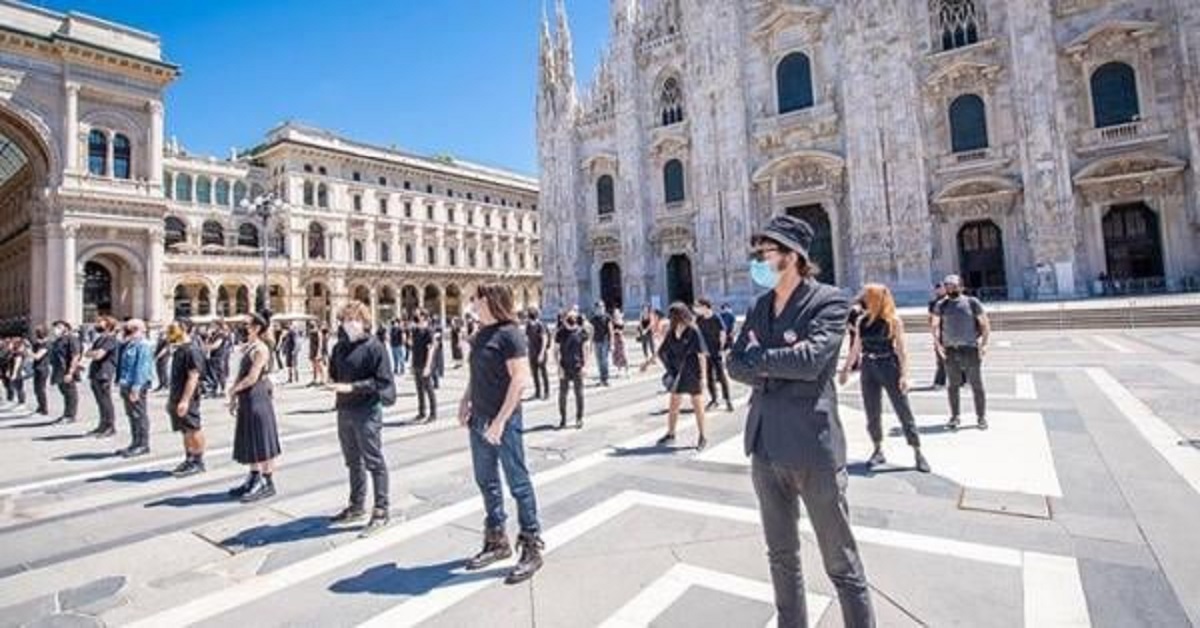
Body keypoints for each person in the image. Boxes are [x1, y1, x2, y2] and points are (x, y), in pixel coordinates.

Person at [728, 215, 875, 627]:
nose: (759, 261)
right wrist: (774, 359)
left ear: (792, 257)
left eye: (766, 253)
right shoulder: (759, 306)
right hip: (765, 447)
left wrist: (760, 357)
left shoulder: (829, 300)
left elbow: (811, 362)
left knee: (841, 564)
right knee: (781, 557)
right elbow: (732, 365)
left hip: (813, 448)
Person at [459, 284, 543, 584]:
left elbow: (520, 379)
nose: (473, 304)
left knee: (518, 482)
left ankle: (531, 544)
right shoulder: (481, 334)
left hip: (504, 422)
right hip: (479, 418)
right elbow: (477, 373)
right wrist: (466, 399)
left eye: (477, 299)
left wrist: (500, 421)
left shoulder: (510, 334)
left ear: (491, 302)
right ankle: (497, 540)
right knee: (487, 481)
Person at [839, 285, 931, 473]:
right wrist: (846, 368)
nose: (862, 298)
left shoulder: (893, 320)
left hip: (889, 364)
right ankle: (877, 448)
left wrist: (904, 375)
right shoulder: (861, 320)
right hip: (869, 366)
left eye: (866, 295)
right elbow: (856, 347)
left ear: (876, 298)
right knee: (872, 410)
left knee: (903, 409)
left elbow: (901, 349)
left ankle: (917, 451)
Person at [327, 302, 397, 537]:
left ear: (365, 321)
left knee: (373, 460)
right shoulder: (339, 347)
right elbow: (334, 373)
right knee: (352, 461)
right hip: (344, 410)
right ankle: (357, 505)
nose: (350, 323)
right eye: (346, 319)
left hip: (367, 411)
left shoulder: (375, 347)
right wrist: (333, 382)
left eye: (355, 319)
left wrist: (352, 386)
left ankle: (381, 509)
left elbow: (383, 382)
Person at [227, 313, 282, 502]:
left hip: (257, 396)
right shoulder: (249, 347)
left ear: (257, 327)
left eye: (246, 324)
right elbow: (240, 374)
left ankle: (267, 482)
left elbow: (252, 377)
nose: (242, 327)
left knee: (262, 437)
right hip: (247, 397)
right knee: (250, 437)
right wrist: (234, 396)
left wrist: (233, 391)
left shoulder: (261, 348)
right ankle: (253, 476)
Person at [932, 274, 990, 431]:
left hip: (970, 348)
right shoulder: (941, 305)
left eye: (954, 286)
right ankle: (955, 416)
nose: (950, 288)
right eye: (948, 286)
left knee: (976, 385)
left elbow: (984, 324)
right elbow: (935, 326)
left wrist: (984, 345)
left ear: (961, 287)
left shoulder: (972, 302)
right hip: (951, 350)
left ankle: (981, 417)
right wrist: (938, 344)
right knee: (953, 386)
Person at [653, 303, 709, 450]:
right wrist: (649, 362)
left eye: (673, 315)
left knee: (697, 405)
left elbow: (701, 355)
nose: (670, 318)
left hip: (692, 372)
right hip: (678, 373)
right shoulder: (672, 332)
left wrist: (703, 378)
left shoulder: (693, 330)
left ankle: (702, 436)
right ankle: (671, 433)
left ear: (680, 315)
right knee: (673, 404)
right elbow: (662, 350)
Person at [166, 320, 207, 477]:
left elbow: (193, 377)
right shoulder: (179, 349)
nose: (170, 331)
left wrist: (185, 400)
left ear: (184, 329)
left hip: (188, 398)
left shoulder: (192, 350)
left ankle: (198, 461)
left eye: (173, 328)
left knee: (193, 428)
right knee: (185, 430)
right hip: (176, 395)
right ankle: (189, 458)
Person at [115, 319, 155, 458]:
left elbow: (142, 368)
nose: (126, 332)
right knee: (131, 414)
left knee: (139, 414)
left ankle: (143, 444)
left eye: (129, 330)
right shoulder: (129, 344)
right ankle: (135, 442)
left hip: (136, 384)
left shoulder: (143, 345)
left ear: (139, 330)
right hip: (127, 383)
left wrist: (136, 387)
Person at [696, 298, 734, 412]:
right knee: (709, 377)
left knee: (721, 376)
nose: (697, 309)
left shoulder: (716, 318)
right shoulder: (699, 319)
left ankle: (727, 400)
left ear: (705, 307)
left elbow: (723, 332)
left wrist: (721, 348)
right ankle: (714, 399)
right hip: (705, 353)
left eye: (698, 306)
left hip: (716, 351)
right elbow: (696, 333)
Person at [85, 316, 120, 438]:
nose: (98, 324)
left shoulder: (111, 340)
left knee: (106, 401)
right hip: (95, 372)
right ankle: (102, 425)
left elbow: (99, 355)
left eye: (101, 322)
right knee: (100, 401)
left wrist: (93, 353)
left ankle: (110, 426)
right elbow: (87, 353)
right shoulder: (100, 339)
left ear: (108, 325)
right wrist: (92, 353)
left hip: (104, 373)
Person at [555, 313, 587, 429]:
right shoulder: (561, 332)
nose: (569, 328)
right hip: (564, 367)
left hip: (577, 367)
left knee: (579, 394)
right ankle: (563, 418)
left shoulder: (581, 332)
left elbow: (585, 349)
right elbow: (556, 351)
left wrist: (585, 366)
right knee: (563, 395)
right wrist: (559, 367)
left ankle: (579, 418)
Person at [410, 310, 438, 422]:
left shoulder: (428, 331)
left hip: (425, 364)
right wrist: (412, 364)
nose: (416, 316)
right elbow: (414, 348)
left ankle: (433, 413)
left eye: (419, 315)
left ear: (423, 317)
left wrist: (428, 366)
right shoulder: (416, 331)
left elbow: (431, 349)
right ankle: (422, 412)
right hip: (417, 363)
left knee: (429, 389)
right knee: (419, 389)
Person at [525, 308, 550, 400]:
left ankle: (546, 392)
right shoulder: (529, 325)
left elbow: (544, 339)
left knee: (543, 373)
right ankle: (537, 392)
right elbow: (527, 338)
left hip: (540, 352)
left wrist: (542, 353)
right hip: (532, 352)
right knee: (534, 373)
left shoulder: (540, 325)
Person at [926, 283, 947, 389]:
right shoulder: (933, 303)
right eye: (938, 288)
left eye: (942, 288)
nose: (940, 290)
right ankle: (940, 381)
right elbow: (930, 318)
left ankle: (963, 380)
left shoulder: (950, 300)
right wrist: (934, 333)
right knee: (940, 359)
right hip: (939, 332)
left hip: (951, 331)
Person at [589, 303, 613, 386]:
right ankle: (601, 378)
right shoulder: (593, 319)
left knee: (604, 360)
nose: (600, 309)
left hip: (605, 341)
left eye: (602, 307)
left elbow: (611, 331)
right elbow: (592, 332)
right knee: (599, 360)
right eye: (598, 308)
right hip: (596, 341)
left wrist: (612, 343)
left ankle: (605, 378)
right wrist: (590, 344)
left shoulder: (607, 317)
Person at [30, 326, 51, 416]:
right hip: (37, 368)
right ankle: (40, 406)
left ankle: (44, 408)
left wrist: (27, 352)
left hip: (43, 368)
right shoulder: (38, 344)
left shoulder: (46, 344)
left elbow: (37, 356)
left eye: (38, 332)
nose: (37, 334)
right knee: (36, 389)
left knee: (41, 389)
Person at [611, 309, 629, 378]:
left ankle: (627, 370)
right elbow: (611, 330)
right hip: (615, 339)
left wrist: (619, 331)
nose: (616, 314)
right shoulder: (612, 322)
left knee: (624, 355)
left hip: (621, 339)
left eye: (617, 313)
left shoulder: (621, 321)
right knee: (617, 355)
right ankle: (619, 371)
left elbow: (624, 330)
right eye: (615, 313)